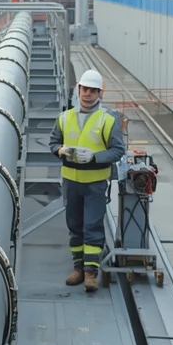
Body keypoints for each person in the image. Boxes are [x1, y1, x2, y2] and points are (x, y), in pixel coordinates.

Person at [48, 69, 125, 292]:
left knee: (92, 226)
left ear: (99, 93)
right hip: (71, 182)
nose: (88, 94)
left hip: (95, 183)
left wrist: (95, 157)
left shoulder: (108, 120)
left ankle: (91, 273)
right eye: (85, 89)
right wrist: (61, 150)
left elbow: (118, 150)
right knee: (74, 226)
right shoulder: (65, 118)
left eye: (93, 90)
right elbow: (53, 143)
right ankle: (78, 268)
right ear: (78, 89)